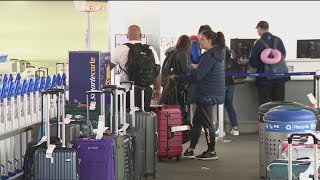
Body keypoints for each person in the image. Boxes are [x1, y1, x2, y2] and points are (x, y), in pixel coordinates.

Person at [169, 30, 225, 160]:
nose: (199, 42)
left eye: (202, 39)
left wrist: (178, 78)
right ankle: (191, 149)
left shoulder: (208, 56)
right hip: (211, 92)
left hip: (206, 93)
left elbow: (198, 76)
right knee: (197, 121)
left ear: (209, 41)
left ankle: (211, 151)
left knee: (207, 123)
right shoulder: (218, 54)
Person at [111, 25, 161, 111]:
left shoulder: (120, 49)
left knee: (126, 117)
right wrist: (158, 89)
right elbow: (157, 71)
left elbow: (108, 68)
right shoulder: (151, 50)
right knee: (143, 118)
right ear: (141, 35)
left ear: (127, 36)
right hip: (146, 92)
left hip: (127, 90)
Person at [249, 21, 289, 106]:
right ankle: (278, 119)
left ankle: (265, 119)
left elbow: (253, 62)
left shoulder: (259, 43)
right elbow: (283, 55)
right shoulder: (278, 40)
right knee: (279, 104)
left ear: (259, 28)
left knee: (265, 106)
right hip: (279, 77)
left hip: (264, 79)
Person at [189, 25, 213, 124]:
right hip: (198, 82)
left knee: (199, 113)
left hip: (196, 81)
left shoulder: (192, 42)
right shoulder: (195, 43)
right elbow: (196, 59)